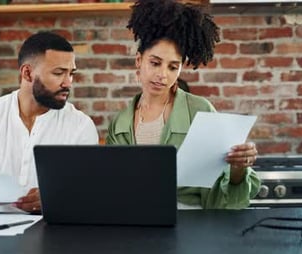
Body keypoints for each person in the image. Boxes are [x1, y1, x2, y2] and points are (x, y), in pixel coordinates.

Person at [106, 0, 260, 209]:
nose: (162, 75)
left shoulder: (200, 111)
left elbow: (223, 190)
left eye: (172, 67)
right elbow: (114, 186)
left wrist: (239, 167)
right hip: (138, 221)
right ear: (139, 61)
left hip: (192, 224)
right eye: (155, 63)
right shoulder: (120, 124)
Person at [0, 31, 99, 215]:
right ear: (27, 73)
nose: (68, 83)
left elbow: (87, 192)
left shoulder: (81, 126)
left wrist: (55, 198)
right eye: (59, 73)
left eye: (71, 74)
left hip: (58, 230)